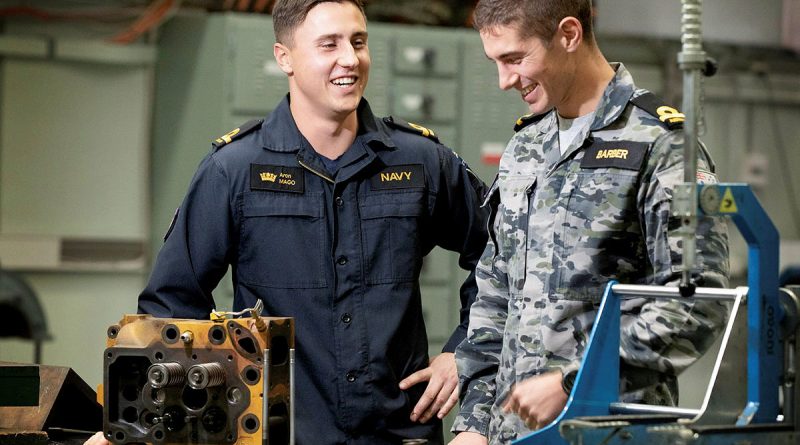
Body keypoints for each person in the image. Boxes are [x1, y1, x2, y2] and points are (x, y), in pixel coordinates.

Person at [87, 1, 488, 444]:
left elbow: (501, 254)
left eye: (358, 42)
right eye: (328, 45)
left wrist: (462, 350)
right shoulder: (235, 169)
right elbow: (169, 306)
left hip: (396, 431)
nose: (350, 59)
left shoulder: (421, 162)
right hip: (279, 433)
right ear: (285, 58)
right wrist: (129, 428)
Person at [449, 1, 730, 444]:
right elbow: (496, 292)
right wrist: (474, 421)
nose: (504, 81)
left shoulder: (661, 145)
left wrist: (573, 383)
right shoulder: (526, 146)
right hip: (511, 434)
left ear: (568, 34)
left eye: (515, 59)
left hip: (608, 431)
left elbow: (698, 300)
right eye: (495, 63)